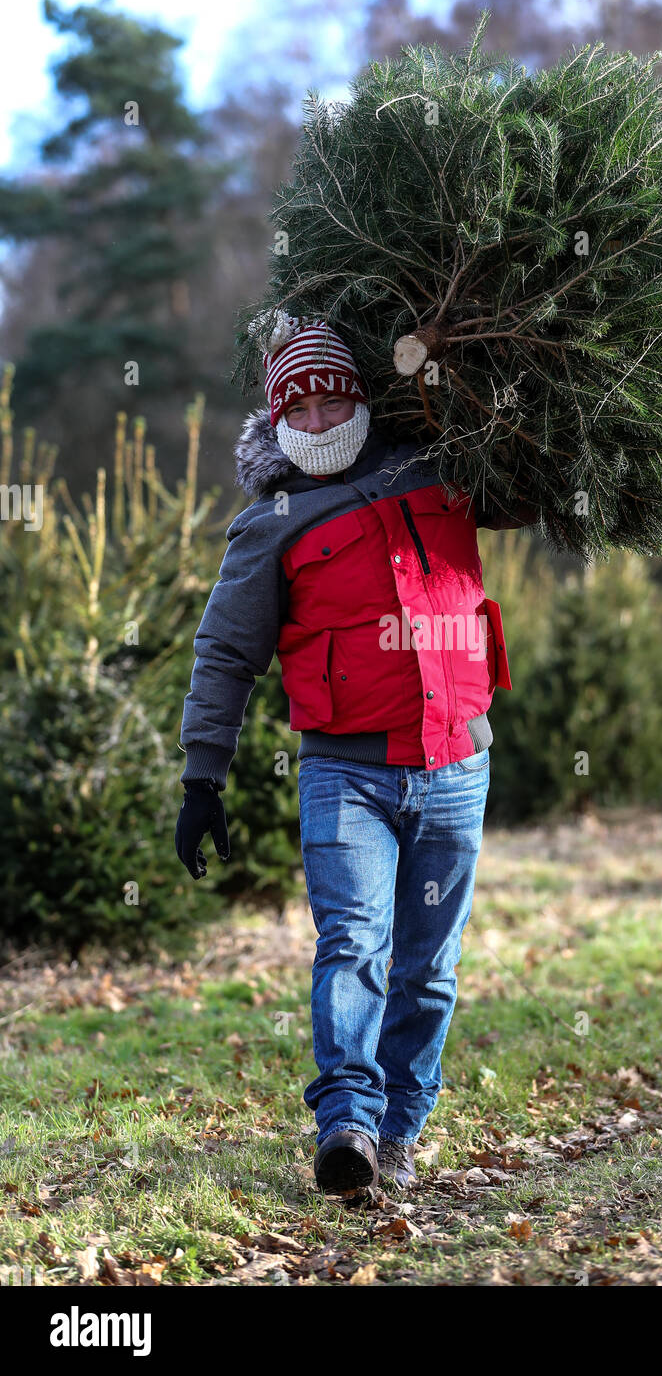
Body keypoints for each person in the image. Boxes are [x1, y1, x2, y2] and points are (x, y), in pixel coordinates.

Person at [175, 316, 537, 1195]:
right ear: (276, 418)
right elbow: (226, 653)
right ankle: (347, 1125)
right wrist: (202, 775)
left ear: (363, 393)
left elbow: (534, 485)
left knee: (429, 970)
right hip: (347, 772)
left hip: (457, 763)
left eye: (334, 389)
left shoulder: (440, 466)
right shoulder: (271, 523)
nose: (321, 408)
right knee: (352, 945)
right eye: (299, 400)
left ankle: (402, 1132)